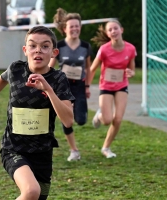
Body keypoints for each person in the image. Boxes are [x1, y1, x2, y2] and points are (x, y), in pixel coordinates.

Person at [0, 26, 75, 200]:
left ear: (53, 52)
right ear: (25, 50)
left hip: (42, 152)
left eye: (45, 46)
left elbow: (67, 121)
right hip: (13, 148)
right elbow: (0, 80)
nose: (38, 50)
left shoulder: (59, 79)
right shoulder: (16, 70)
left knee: (36, 196)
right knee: (31, 191)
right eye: (33, 45)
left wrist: (49, 90)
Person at [49, 8, 92, 161]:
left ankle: (75, 112)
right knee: (67, 120)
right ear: (65, 28)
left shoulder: (85, 47)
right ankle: (74, 150)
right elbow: (50, 67)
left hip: (79, 86)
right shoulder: (59, 47)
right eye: (71, 26)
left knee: (81, 120)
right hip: (63, 87)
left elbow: (88, 68)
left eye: (77, 26)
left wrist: (87, 86)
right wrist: (50, 83)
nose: (75, 28)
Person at [89, 19, 136, 158]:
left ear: (121, 30)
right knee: (107, 120)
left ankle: (106, 148)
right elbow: (92, 68)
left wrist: (131, 73)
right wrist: (86, 85)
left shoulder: (131, 48)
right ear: (107, 34)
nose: (113, 31)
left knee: (118, 119)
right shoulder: (104, 49)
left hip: (122, 85)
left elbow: (132, 70)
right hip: (106, 86)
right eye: (110, 30)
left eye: (115, 28)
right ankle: (100, 115)